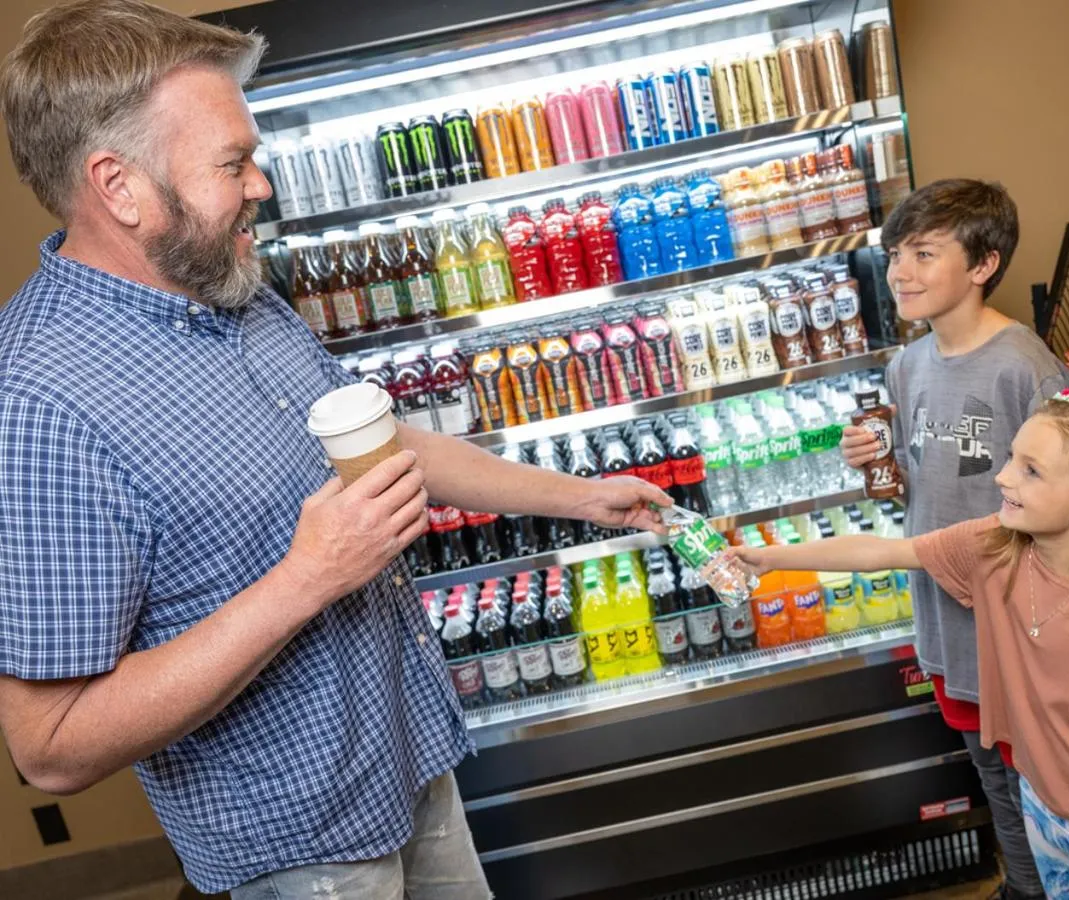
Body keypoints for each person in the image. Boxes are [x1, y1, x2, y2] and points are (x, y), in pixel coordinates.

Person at [0, 2, 669, 897]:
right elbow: (51, 747)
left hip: (408, 763)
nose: (261, 186)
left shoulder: (235, 291)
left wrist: (582, 496)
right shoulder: (41, 404)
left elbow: (379, 449)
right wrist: (307, 579)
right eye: (232, 163)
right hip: (300, 848)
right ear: (117, 184)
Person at [738, 396, 1069, 900]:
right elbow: (883, 552)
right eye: (1010, 458)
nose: (1003, 478)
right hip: (1038, 795)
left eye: (1031, 471)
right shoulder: (994, 548)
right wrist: (768, 557)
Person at [841, 178, 1069, 899]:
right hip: (948, 620)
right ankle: (1025, 886)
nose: (900, 272)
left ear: (983, 265)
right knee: (992, 775)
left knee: (1043, 781)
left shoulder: (1024, 366)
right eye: (895, 255)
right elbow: (924, 480)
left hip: (1022, 625)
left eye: (923, 254)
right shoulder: (906, 367)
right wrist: (875, 458)